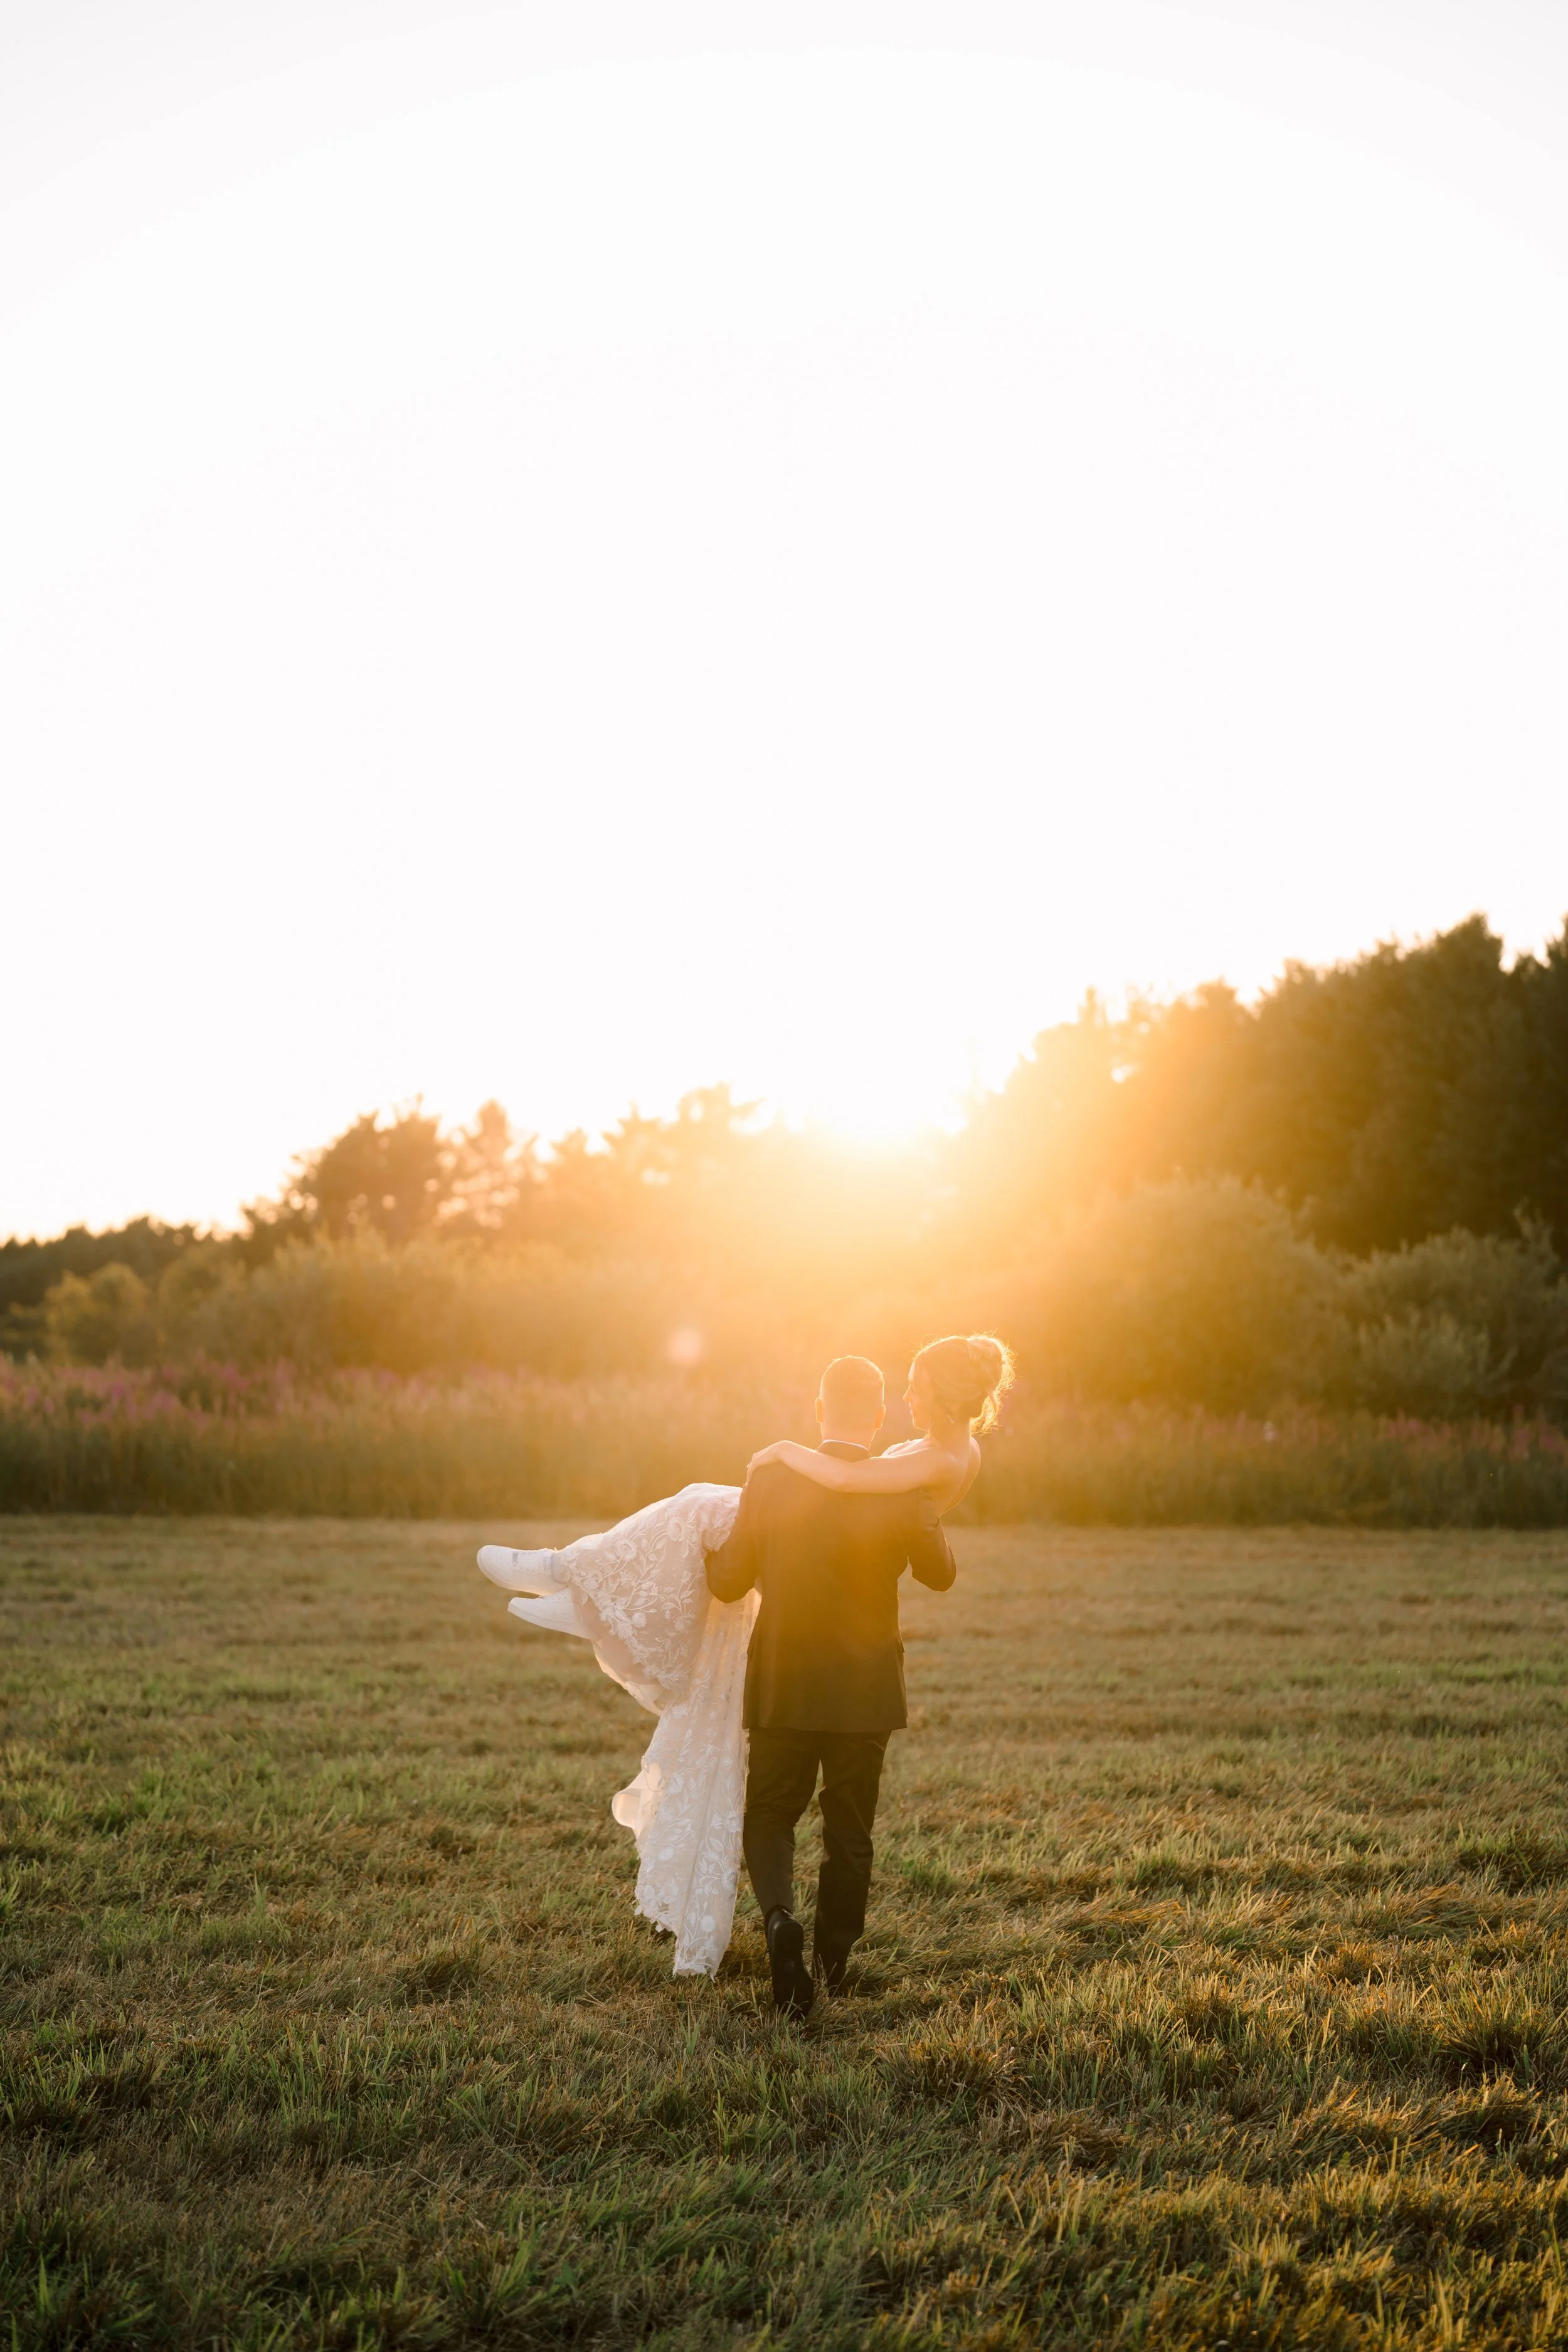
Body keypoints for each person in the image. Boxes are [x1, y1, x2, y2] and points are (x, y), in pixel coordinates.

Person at [477, 1333, 1014, 1996]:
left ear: (820, 1409)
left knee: (771, 1815)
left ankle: (780, 1919)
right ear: (876, 1420)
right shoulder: (904, 1489)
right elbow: (940, 1574)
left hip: (784, 1676)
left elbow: (729, 1585)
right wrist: (921, 1516)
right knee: (850, 1829)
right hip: (866, 1686)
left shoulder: (775, 1482)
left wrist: (698, 1561)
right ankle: (835, 1968)